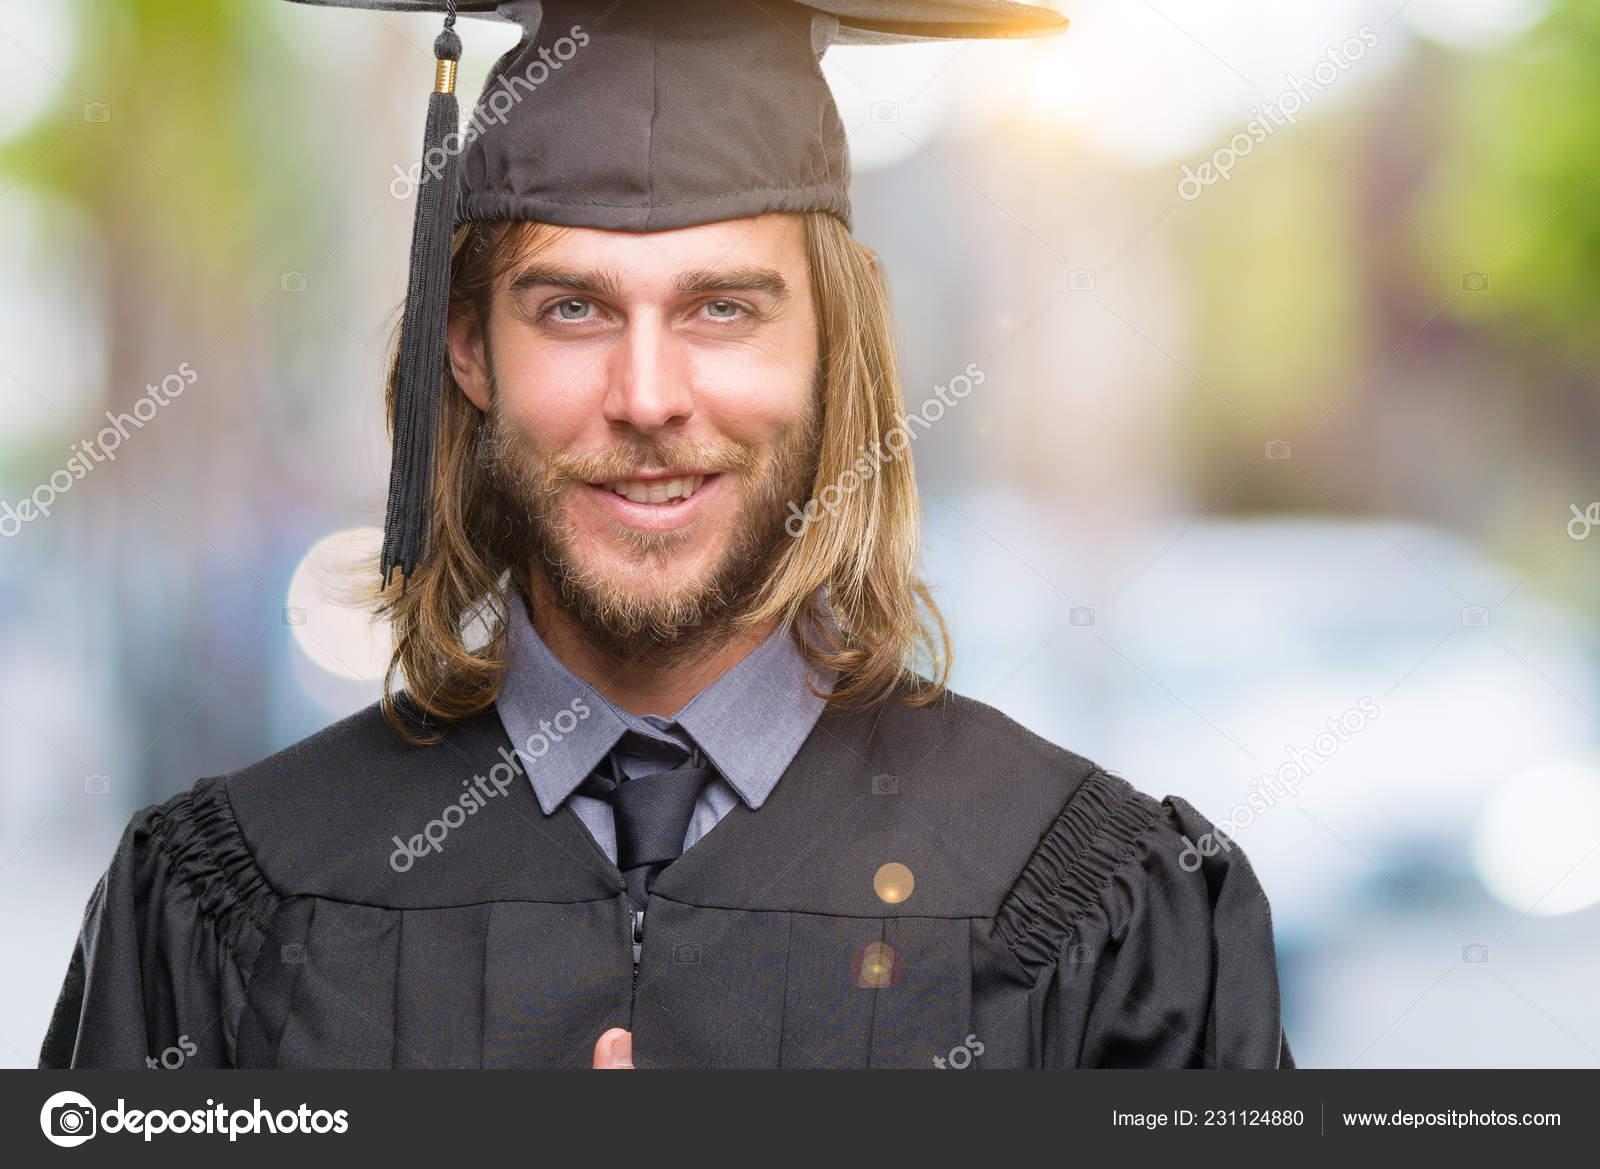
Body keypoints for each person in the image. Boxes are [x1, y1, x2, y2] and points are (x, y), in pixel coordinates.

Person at [40, 0, 1294, 1069]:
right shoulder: (228, 910)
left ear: (831, 344)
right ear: (468, 348)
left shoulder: (1106, 910)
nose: (648, 396)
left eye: (724, 307)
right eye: (573, 306)